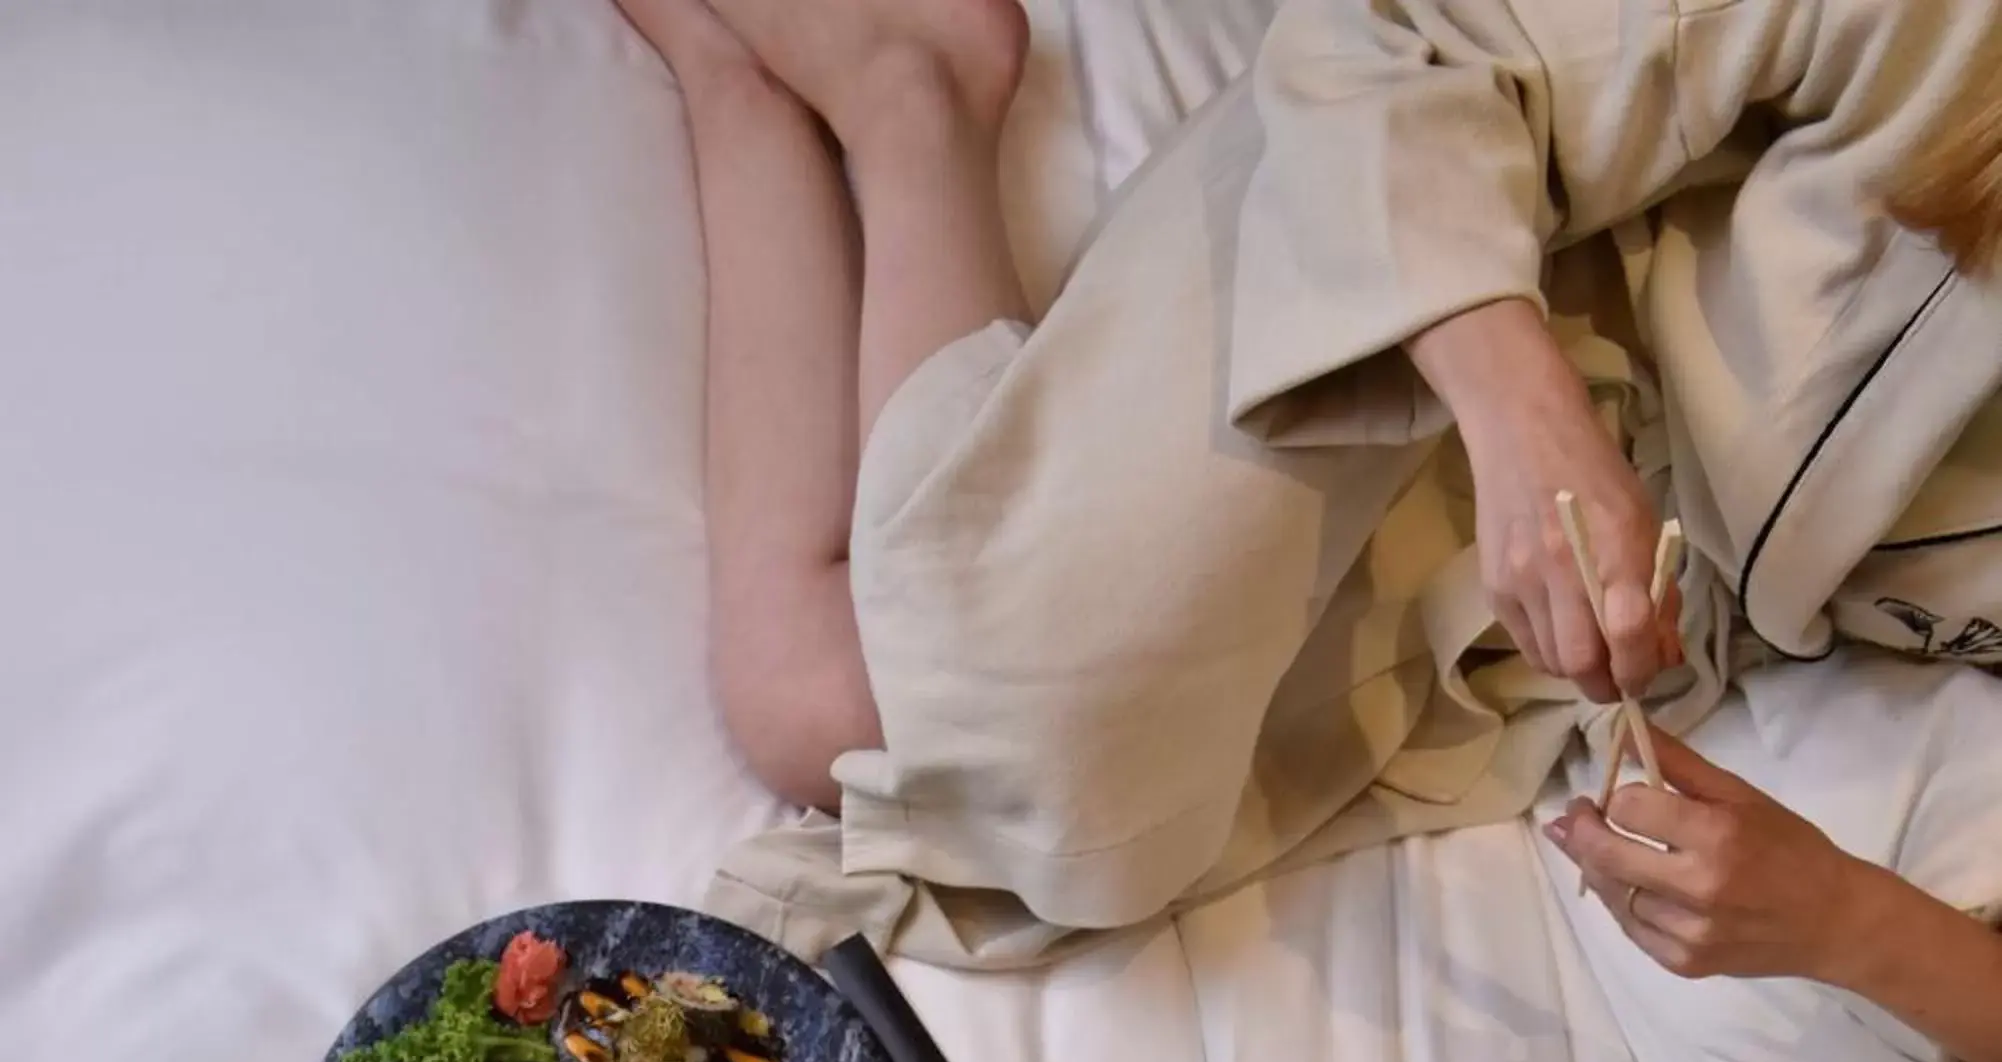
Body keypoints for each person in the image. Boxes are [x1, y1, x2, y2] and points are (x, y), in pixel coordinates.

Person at [609, 0, 2002, 983]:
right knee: (848, 707)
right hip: (1463, 235)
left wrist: (1852, 926)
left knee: (917, 741)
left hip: (1658, 573)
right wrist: (1519, 409)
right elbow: (1405, 34)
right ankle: (898, 89)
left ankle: (878, 101)